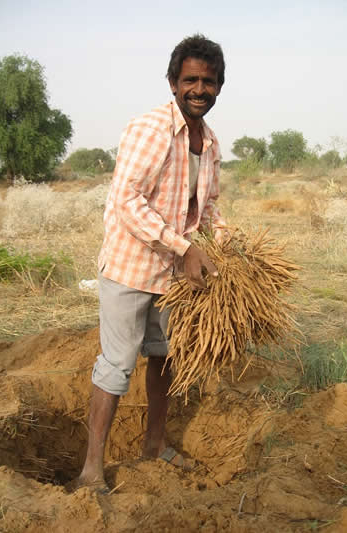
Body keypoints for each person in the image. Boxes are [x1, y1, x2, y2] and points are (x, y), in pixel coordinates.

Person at [76, 34, 227, 493]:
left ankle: (155, 445)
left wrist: (225, 246)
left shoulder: (211, 142)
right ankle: (91, 469)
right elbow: (127, 200)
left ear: (220, 86)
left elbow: (209, 207)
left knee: (163, 358)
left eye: (209, 81)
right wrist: (183, 249)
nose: (199, 89)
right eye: (190, 80)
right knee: (117, 363)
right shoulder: (151, 129)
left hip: (175, 278)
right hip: (131, 268)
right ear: (172, 82)